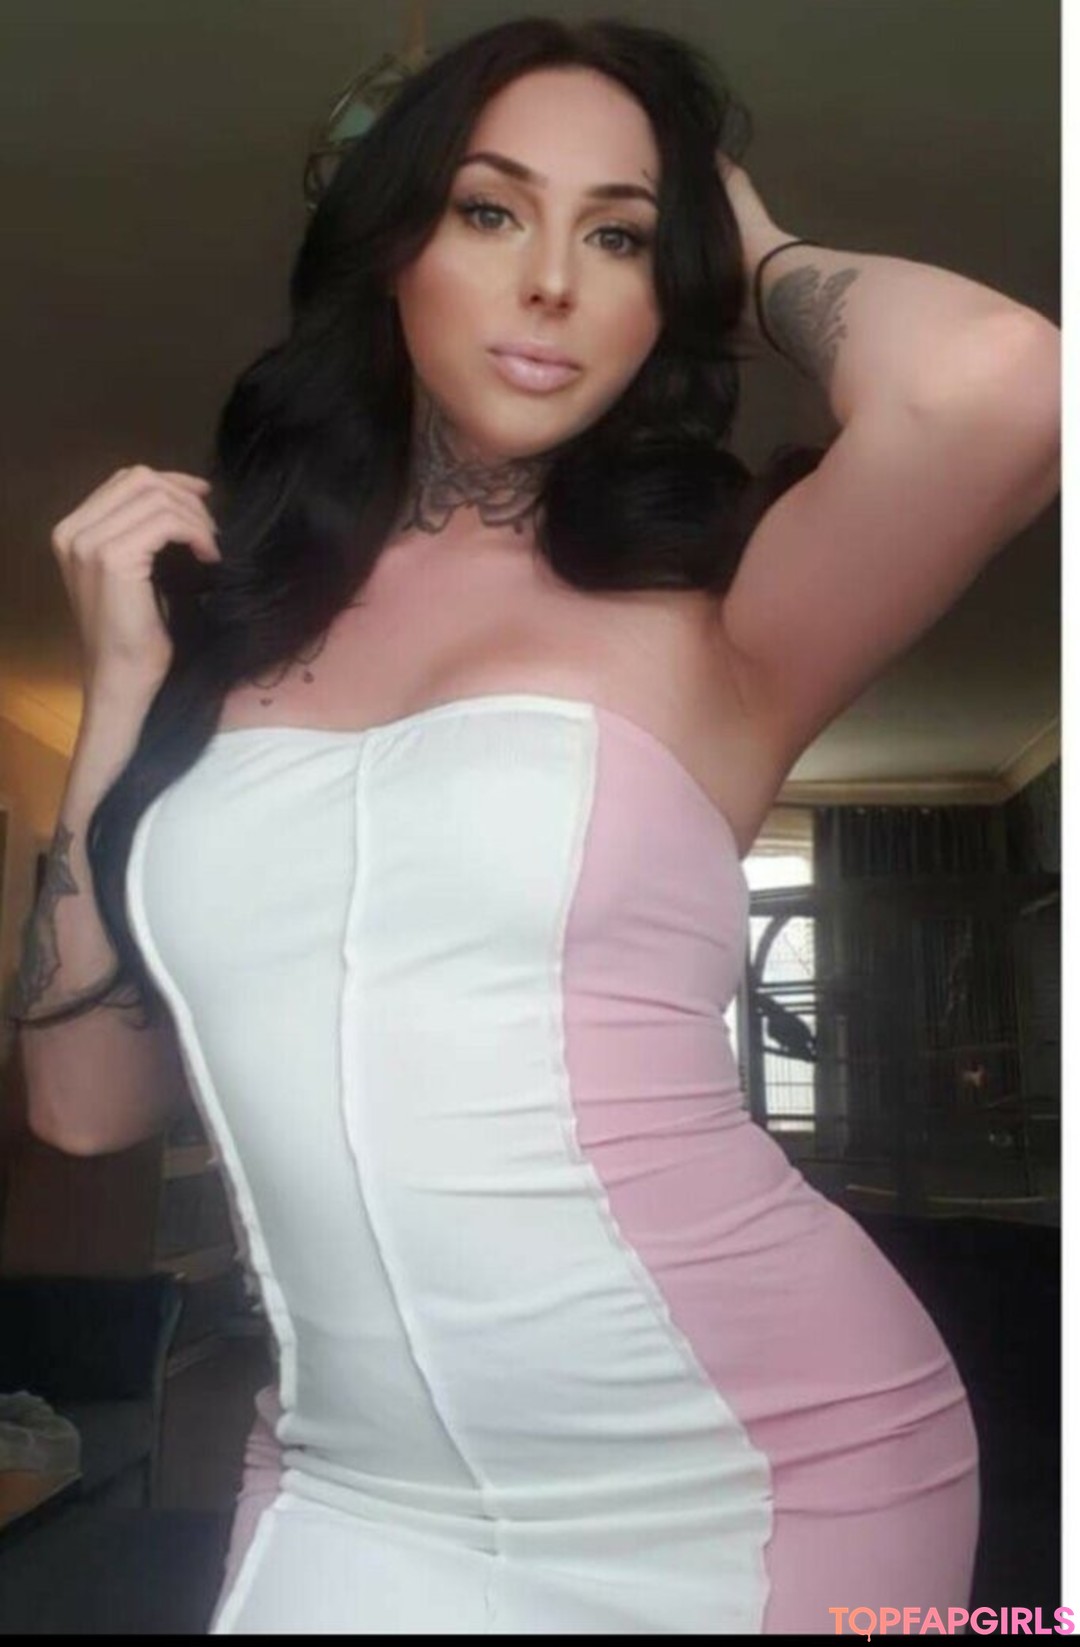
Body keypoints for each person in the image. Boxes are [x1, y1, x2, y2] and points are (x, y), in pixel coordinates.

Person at [9, 16, 1060, 1637]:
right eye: (491, 209)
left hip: (772, 1469)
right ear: (393, 246)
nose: (556, 280)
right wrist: (124, 696)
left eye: (622, 236)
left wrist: (745, 241)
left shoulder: (719, 608)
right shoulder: (224, 641)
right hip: (356, 1491)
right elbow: (86, 1104)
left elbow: (1002, 383)